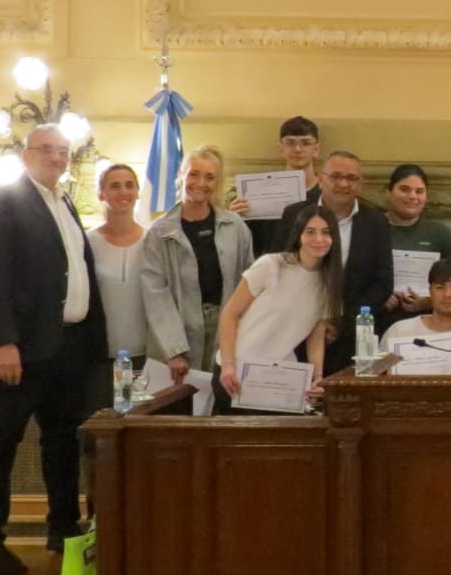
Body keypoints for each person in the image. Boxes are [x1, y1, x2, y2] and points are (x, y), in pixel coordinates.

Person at [0, 125, 106, 551]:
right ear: (26, 155)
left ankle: (63, 531)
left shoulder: (64, 202)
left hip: (68, 348)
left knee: (62, 441)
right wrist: (4, 341)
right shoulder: (2, 200)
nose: (56, 157)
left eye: (63, 151)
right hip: (22, 350)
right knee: (1, 440)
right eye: (46, 150)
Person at [215, 203, 344, 412]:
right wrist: (228, 364)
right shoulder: (271, 265)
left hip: (280, 376)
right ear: (299, 235)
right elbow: (230, 313)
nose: (318, 239)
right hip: (236, 373)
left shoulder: (330, 283)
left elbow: (316, 336)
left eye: (326, 232)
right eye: (310, 232)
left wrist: (318, 377)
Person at [142, 146, 255, 379]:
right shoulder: (159, 233)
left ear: (218, 182)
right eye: (194, 174)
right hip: (179, 332)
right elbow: (155, 294)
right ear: (181, 175)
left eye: (210, 177)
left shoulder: (236, 228)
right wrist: (173, 350)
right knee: (182, 408)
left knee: (220, 404)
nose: (200, 183)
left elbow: (249, 284)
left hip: (226, 330)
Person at [275, 150, 393, 368]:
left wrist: (342, 323)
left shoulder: (376, 222)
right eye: (336, 176)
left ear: (361, 184)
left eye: (351, 178)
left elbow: (383, 283)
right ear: (320, 179)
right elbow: (280, 269)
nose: (344, 184)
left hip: (351, 336)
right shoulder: (294, 215)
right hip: (295, 333)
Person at [86, 163, 149, 402]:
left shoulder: (152, 240)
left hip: (143, 356)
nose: (124, 192)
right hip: (99, 358)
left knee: (134, 426)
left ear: (137, 192)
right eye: (114, 186)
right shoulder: (87, 242)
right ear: (101, 194)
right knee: (101, 429)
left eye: (129, 185)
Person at [231, 115, 321, 255]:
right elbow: (247, 242)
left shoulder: (326, 196)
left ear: (316, 149)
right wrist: (234, 219)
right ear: (280, 149)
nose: (298, 149)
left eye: (306, 143)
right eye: (290, 142)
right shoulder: (258, 193)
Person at [381, 164, 451, 319]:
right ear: (389, 192)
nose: (412, 196)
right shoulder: (372, 229)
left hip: (428, 321)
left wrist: (430, 302)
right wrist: (378, 299)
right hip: (377, 319)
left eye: (419, 191)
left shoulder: (439, 233)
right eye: (404, 189)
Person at [386, 258, 451, 352]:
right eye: (440, 287)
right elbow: (376, 370)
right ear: (430, 292)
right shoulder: (400, 331)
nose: (447, 294)